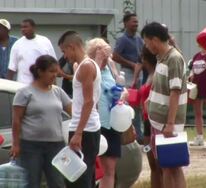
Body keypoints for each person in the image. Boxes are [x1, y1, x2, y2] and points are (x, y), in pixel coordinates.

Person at [10, 55, 72, 188]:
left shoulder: (58, 92)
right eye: (51, 71)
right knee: (32, 182)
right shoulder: (24, 93)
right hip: (31, 146)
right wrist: (16, 144)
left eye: (56, 71)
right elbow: (16, 120)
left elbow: (74, 112)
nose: (55, 75)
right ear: (40, 72)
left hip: (56, 145)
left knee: (58, 183)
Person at [141, 22, 187, 188]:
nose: (147, 46)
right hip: (158, 121)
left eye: (146, 42)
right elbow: (162, 86)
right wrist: (150, 99)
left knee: (169, 166)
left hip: (166, 123)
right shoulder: (161, 57)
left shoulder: (173, 58)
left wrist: (170, 123)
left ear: (154, 40)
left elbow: (175, 91)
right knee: (169, 166)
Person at [58, 31, 101, 188]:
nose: (65, 56)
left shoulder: (86, 66)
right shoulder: (87, 65)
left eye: (64, 51)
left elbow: (89, 102)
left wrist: (78, 133)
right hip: (87, 127)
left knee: (77, 179)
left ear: (72, 47)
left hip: (85, 130)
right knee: (84, 176)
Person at [85, 38, 122, 188]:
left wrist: (121, 92)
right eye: (103, 55)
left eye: (108, 55)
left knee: (110, 169)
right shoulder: (87, 66)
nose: (107, 58)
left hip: (111, 122)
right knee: (90, 168)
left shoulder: (109, 67)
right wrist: (98, 61)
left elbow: (116, 89)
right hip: (94, 123)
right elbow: (92, 87)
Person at [112, 12, 144, 143]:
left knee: (139, 105)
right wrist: (131, 64)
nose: (136, 24)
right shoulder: (122, 40)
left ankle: (139, 133)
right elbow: (115, 56)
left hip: (140, 74)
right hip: (128, 75)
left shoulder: (139, 39)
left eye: (137, 22)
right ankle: (130, 135)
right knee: (129, 104)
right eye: (133, 22)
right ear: (126, 24)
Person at [7, 18, 56, 84]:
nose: (23, 29)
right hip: (23, 84)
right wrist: (8, 84)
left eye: (25, 27)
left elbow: (53, 64)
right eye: (21, 27)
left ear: (33, 28)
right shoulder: (17, 44)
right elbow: (12, 68)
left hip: (42, 84)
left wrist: (54, 85)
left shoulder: (45, 41)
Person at [139, 46, 162, 188]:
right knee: (153, 165)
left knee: (160, 165)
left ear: (144, 59)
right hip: (146, 121)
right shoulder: (148, 74)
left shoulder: (156, 75)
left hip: (155, 121)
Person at [189, 46, 206, 146]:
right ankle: (199, 136)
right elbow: (193, 69)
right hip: (197, 87)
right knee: (198, 113)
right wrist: (191, 77)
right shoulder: (196, 55)